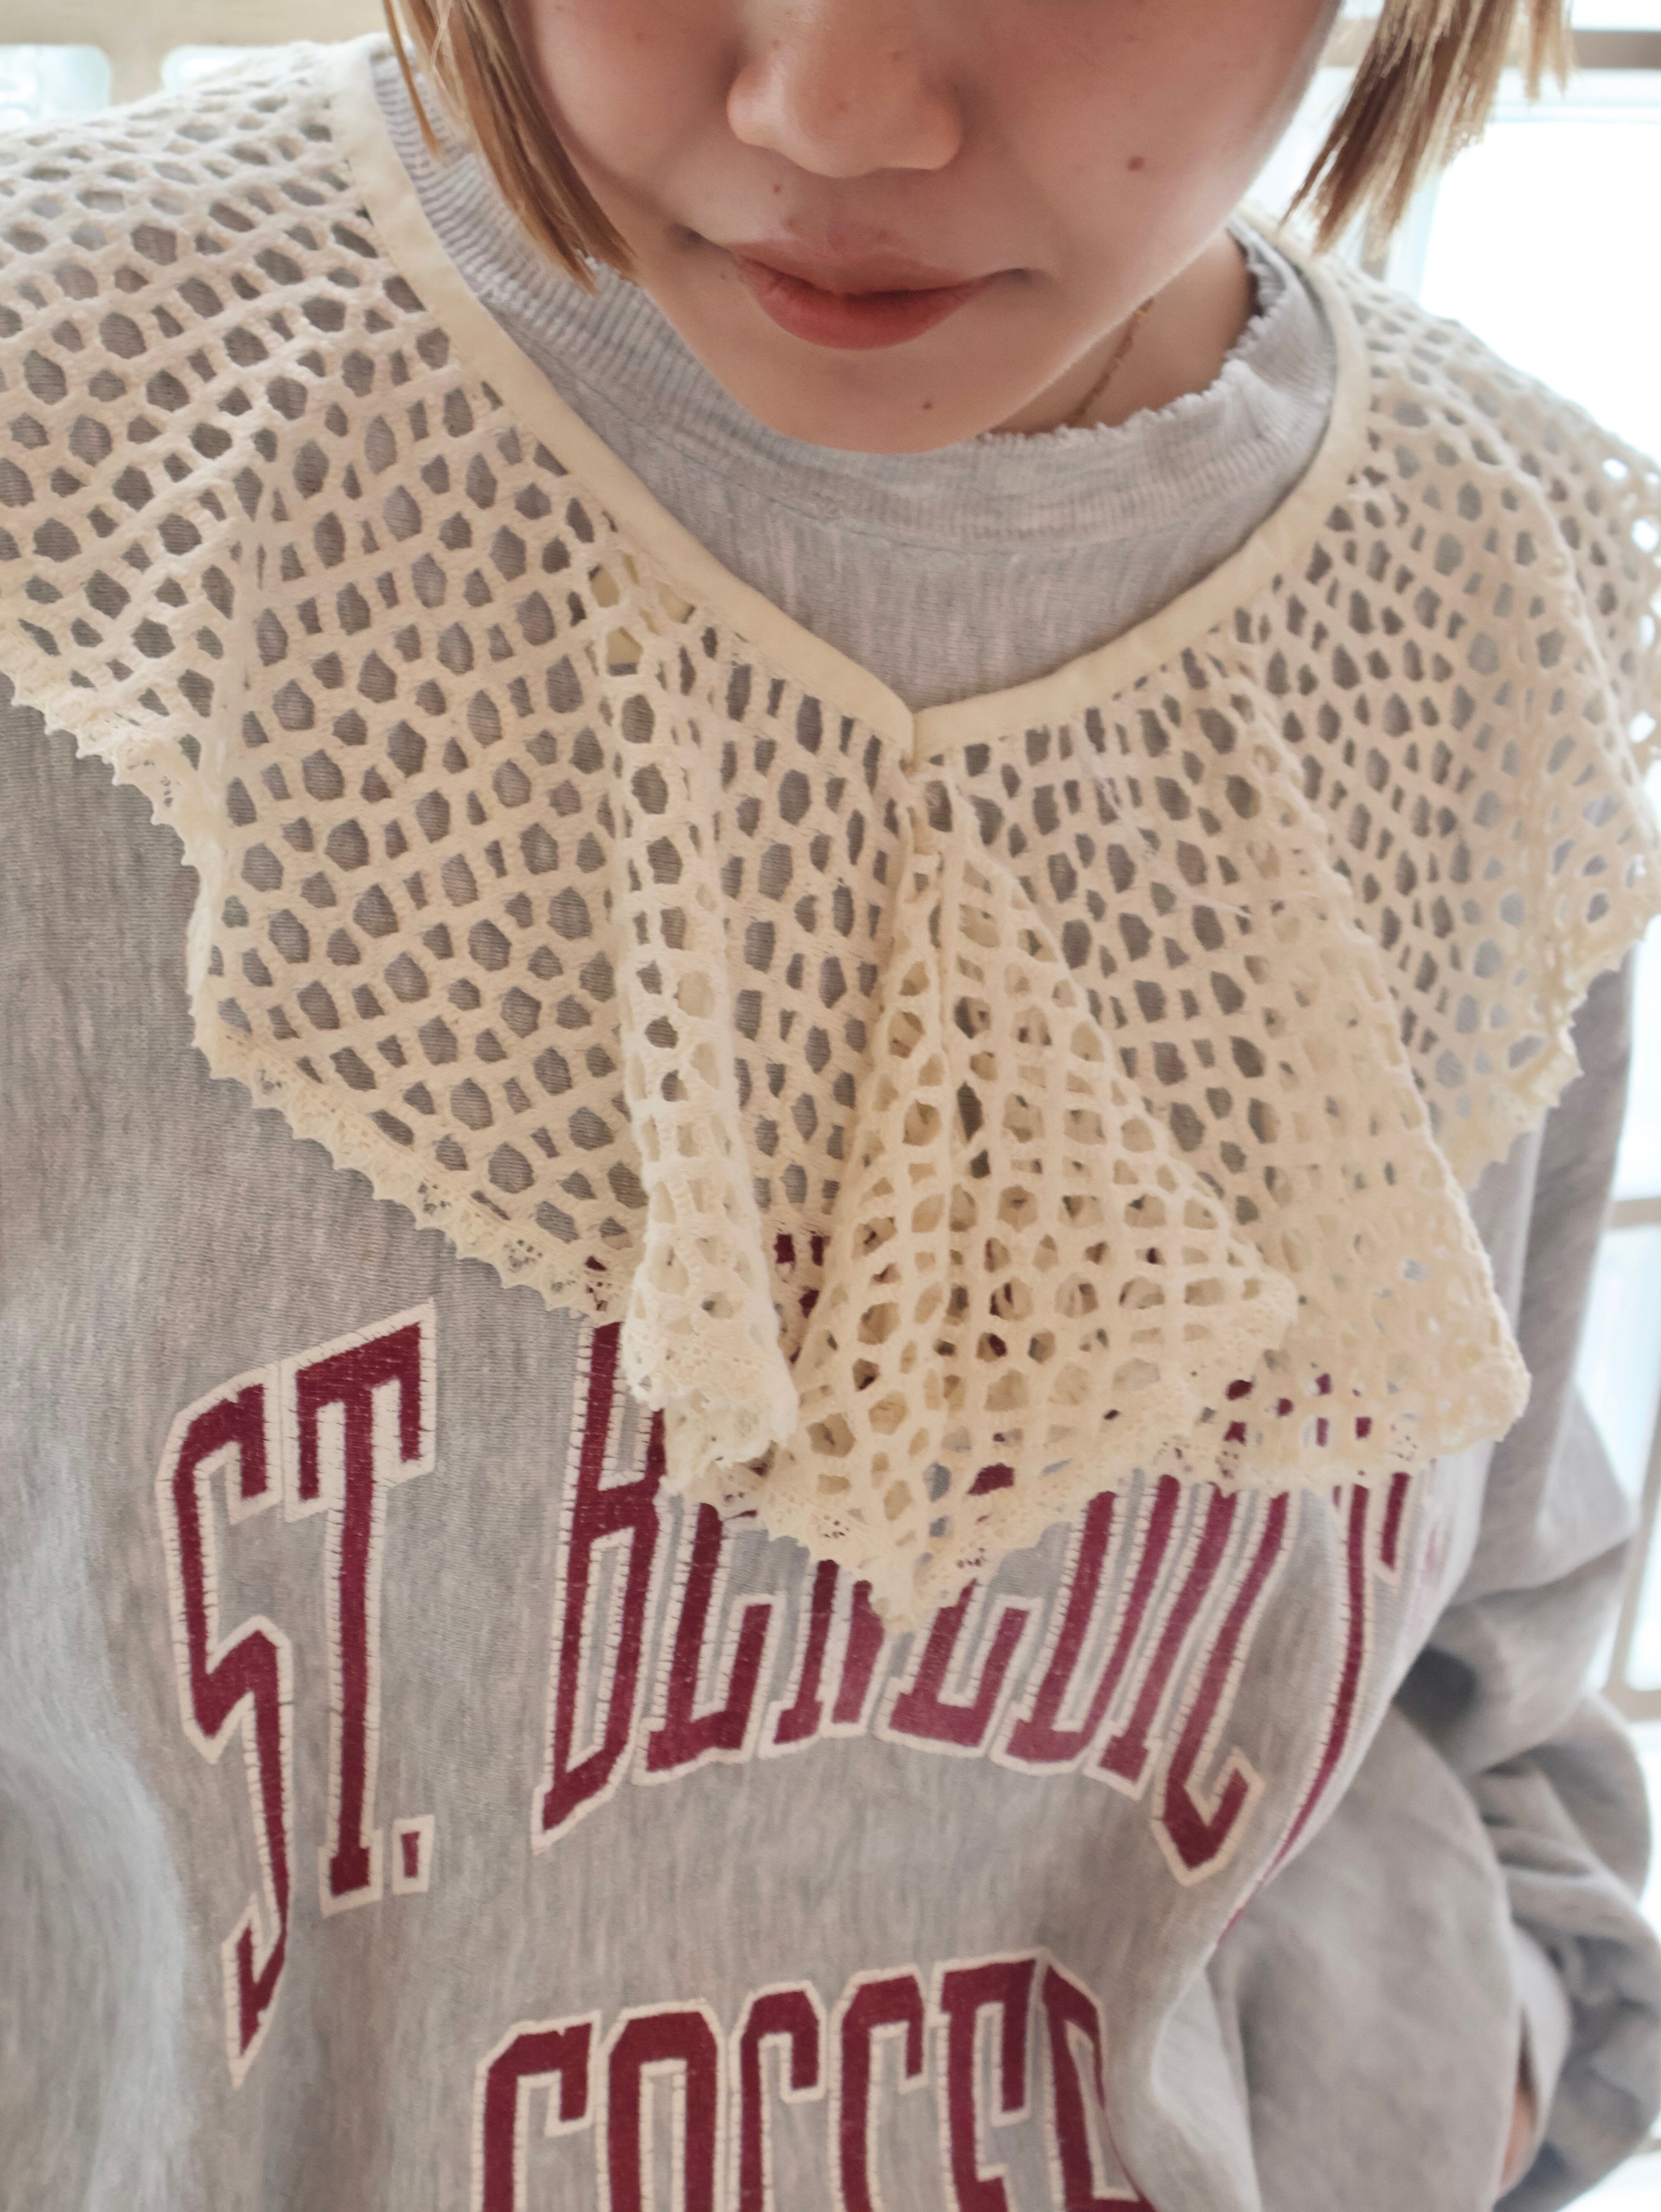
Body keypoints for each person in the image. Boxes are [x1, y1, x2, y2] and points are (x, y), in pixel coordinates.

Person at [2, 0, 1659, 2204]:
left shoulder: (1495, 583)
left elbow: (1496, 1727)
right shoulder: (66, 439)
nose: (834, 107)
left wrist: (1434, 2086)